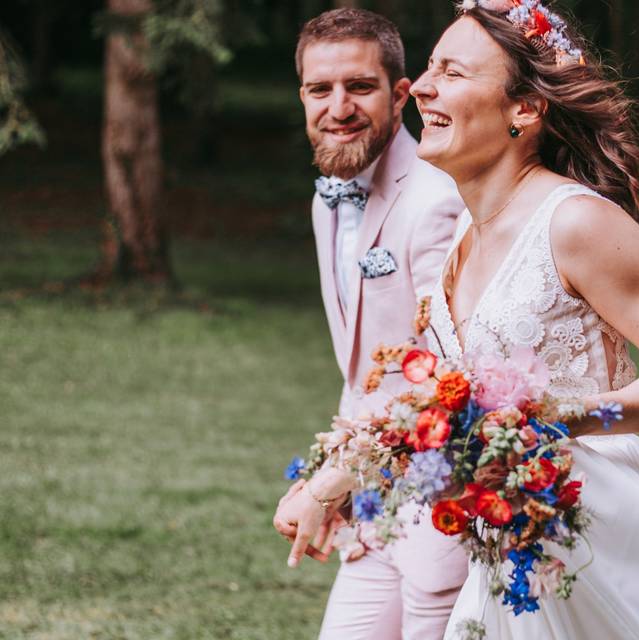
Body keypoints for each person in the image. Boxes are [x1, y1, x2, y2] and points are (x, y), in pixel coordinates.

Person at [408, 1, 639, 638]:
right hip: (512, 545)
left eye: (452, 72)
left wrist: (579, 415)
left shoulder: (575, 222)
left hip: (600, 534)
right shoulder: (460, 243)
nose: (421, 87)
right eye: (428, 68)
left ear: (524, 109)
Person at [272, 9, 468, 640]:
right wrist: (336, 481)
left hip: (447, 506)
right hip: (374, 503)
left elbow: (452, 377)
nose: (338, 107)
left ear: (401, 94)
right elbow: (365, 371)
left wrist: (329, 485)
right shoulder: (326, 197)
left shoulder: (436, 199)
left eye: (359, 87)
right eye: (319, 90)